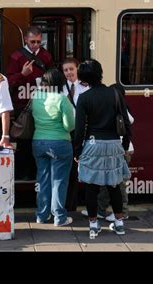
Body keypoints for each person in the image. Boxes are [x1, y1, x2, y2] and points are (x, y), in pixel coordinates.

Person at [74, 59, 132, 237]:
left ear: (84, 80)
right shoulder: (115, 94)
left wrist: (77, 151)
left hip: (92, 144)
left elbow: (79, 128)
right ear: (100, 74)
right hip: (114, 143)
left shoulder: (84, 98)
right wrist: (124, 144)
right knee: (114, 185)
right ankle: (119, 223)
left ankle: (93, 225)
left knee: (92, 187)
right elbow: (126, 122)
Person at [6, 26, 54, 180]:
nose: (35, 45)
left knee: (40, 140)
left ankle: (37, 173)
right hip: (23, 106)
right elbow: (8, 81)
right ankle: (24, 174)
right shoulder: (16, 57)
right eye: (32, 41)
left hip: (43, 104)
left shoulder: (46, 56)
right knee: (24, 140)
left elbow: (53, 77)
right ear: (26, 40)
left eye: (38, 42)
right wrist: (22, 74)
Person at [32, 68, 75, 226]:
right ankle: (59, 217)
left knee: (42, 179)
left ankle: (41, 216)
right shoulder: (62, 99)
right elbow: (69, 126)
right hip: (59, 143)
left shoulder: (36, 97)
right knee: (59, 180)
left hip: (38, 142)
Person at [61, 57, 89, 211]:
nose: (69, 72)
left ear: (77, 69)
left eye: (71, 69)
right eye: (65, 70)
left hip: (81, 131)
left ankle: (80, 202)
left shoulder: (85, 86)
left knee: (80, 167)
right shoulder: (61, 87)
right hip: (66, 131)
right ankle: (68, 204)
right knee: (69, 168)